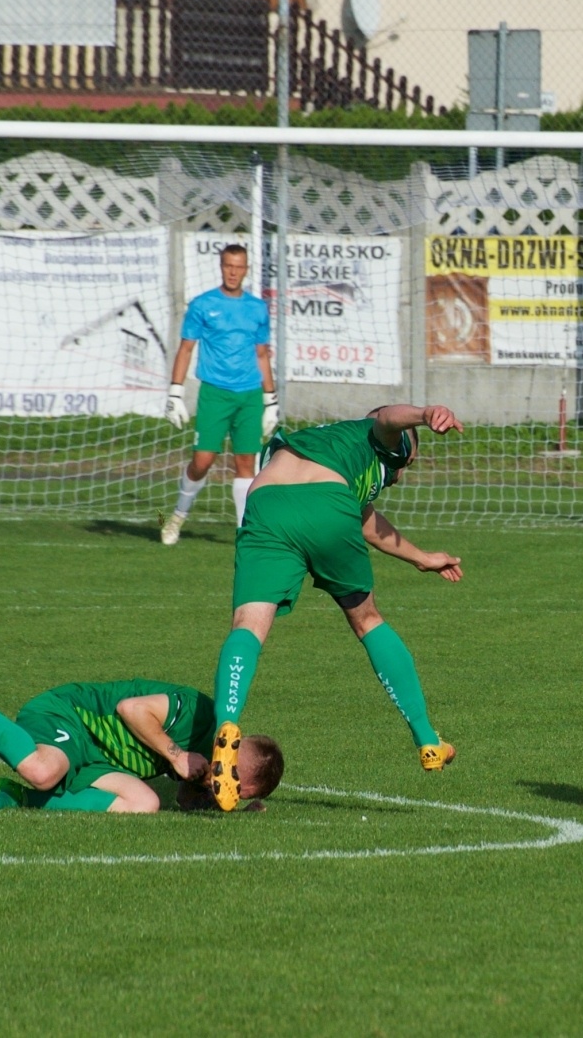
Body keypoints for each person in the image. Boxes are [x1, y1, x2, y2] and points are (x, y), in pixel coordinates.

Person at [206, 403, 464, 812]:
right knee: (368, 621)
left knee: (247, 625)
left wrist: (421, 557)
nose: (404, 469)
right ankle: (428, 740)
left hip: (265, 501)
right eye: (408, 461)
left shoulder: (328, 444)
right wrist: (424, 414)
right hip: (326, 502)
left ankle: (225, 725)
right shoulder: (379, 439)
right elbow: (385, 418)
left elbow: (364, 518)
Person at [0, 671, 283, 813]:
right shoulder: (199, 711)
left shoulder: (213, 767)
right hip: (71, 715)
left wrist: (217, 808)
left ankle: (17, 801)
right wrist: (177, 755)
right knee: (43, 771)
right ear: (235, 753)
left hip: (101, 760)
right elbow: (132, 709)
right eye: (229, 783)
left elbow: (182, 799)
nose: (224, 790)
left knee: (145, 803)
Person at [161, 243, 279, 543]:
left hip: (250, 395)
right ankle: (177, 516)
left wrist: (271, 400)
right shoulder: (202, 304)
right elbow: (186, 348)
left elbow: (262, 354)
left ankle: (245, 533)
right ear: (221, 266)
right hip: (215, 393)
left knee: (246, 463)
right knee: (202, 461)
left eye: (239, 267)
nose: (233, 272)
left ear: (246, 269)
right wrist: (175, 393)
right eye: (228, 265)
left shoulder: (256, 308)